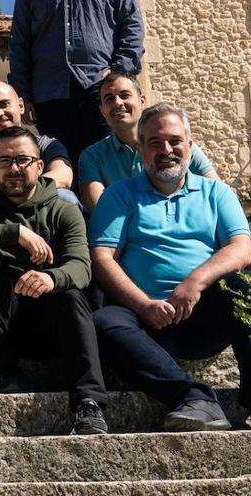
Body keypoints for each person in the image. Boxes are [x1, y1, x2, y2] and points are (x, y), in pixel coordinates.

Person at [90, 103, 251, 431]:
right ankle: (194, 397)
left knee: (245, 287)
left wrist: (196, 282)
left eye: (175, 141)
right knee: (103, 321)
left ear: (190, 146)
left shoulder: (216, 193)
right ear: (140, 150)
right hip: (147, 323)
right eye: (155, 142)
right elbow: (103, 258)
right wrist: (143, 304)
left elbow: (242, 248)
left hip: (204, 316)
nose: (167, 150)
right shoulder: (119, 195)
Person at [0, 126, 108, 436]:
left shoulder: (63, 210)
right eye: (4, 161)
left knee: (71, 295)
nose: (14, 168)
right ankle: (6, 373)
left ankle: (89, 402)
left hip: (48, 328)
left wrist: (51, 278)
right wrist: (10, 233)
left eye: (22, 160)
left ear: (40, 166)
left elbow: (81, 268)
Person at [9, 0, 145, 166]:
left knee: (109, 164)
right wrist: (22, 94)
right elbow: (19, 45)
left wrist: (119, 71)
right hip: (51, 96)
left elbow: (131, 22)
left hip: (102, 92)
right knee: (62, 166)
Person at [78, 72, 218, 213]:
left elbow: (217, 193)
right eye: (109, 99)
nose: (118, 102)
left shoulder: (178, 148)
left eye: (125, 95)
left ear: (142, 101)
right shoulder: (92, 157)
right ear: (102, 111)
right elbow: (100, 209)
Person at [0, 80, 76, 210]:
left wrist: (16, 193)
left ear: (21, 106)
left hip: (43, 220)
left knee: (65, 197)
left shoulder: (48, 146)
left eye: (4, 104)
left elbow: (63, 176)